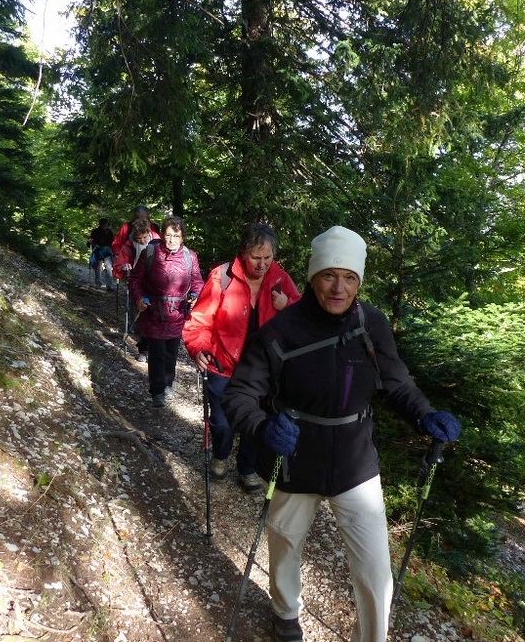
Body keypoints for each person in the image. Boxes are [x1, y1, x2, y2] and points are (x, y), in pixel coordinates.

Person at [222, 225, 462, 642]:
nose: (339, 287)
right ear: (313, 276)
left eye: (349, 277)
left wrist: (425, 415)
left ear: (359, 281)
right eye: (329, 275)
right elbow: (241, 392)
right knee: (284, 547)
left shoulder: (372, 324)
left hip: (355, 462)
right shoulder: (280, 331)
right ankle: (285, 613)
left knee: (375, 571)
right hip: (295, 458)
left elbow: (396, 382)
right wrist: (261, 428)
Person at [183, 223, 301, 494]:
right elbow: (200, 320)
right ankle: (221, 454)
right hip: (223, 365)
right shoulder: (222, 277)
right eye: (256, 258)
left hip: (263, 372)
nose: (262, 264)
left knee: (256, 422)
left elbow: (303, 322)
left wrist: (288, 307)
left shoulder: (281, 280)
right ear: (243, 253)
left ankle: (247, 468)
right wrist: (199, 347)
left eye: (267, 258)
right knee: (223, 423)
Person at [128, 215, 205, 407]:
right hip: (154, 310)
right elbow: (135, 279)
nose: (171, 240)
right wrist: (139, 298)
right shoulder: (151, 252)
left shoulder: (190, 256)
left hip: (178, 312)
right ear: (162, 234)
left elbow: (197, 280)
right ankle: (158, 391)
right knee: (157, 352)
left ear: (183, 237)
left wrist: (196, 294)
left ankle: (168, 383)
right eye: (168, 235)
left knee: (171, 351)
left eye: (176, 236)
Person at [114, 218, 154, 361]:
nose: (143, 241)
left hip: (156, 285)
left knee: (155, 317)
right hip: (137, 285)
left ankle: (152, 349)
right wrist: (124, 267)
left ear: (149, 232)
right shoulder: (129, 246)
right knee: (138, 318)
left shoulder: (158, 242)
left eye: (145, 237)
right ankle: (143, 350)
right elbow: (118, 267)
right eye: (139, 238)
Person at [87, 217, 115, 290]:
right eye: (102, 224)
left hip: (107, 251)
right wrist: (91, 243)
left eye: (105, 224)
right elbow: (90, 242)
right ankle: (98, 283)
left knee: (109, 268)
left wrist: (113, 250)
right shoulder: (95, 232)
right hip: (98, 251)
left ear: (107, 224)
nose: (104, 225)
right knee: (98, 268)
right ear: (100, 224)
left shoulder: (109, 232)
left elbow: (112, 243)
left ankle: (109, 285)